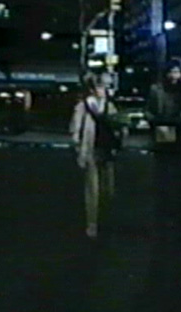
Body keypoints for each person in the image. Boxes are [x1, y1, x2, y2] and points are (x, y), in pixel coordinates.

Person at [142, 59, 181, 311]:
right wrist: (156, 119)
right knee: (162, 180)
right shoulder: (156, 89)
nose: (174, 76)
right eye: (171, 72)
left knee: (178, 179)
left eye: (177, 72)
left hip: (179, 138)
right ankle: (164, 218)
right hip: (161, 138)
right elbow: (147, 112)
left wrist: (179, 119)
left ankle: (178, 218)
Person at [69, 73, 118, 239]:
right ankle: (92, 224)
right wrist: (78, 148)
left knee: (108, 189)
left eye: (105, 87)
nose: (103, 90)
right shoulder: (83, 106)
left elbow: (118, 126)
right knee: (92, 190)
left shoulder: (109, 106)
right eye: (100, 87)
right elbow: (75, 129)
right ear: (93, 89)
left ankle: (105, 220)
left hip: (106, 150)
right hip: (91, 150)